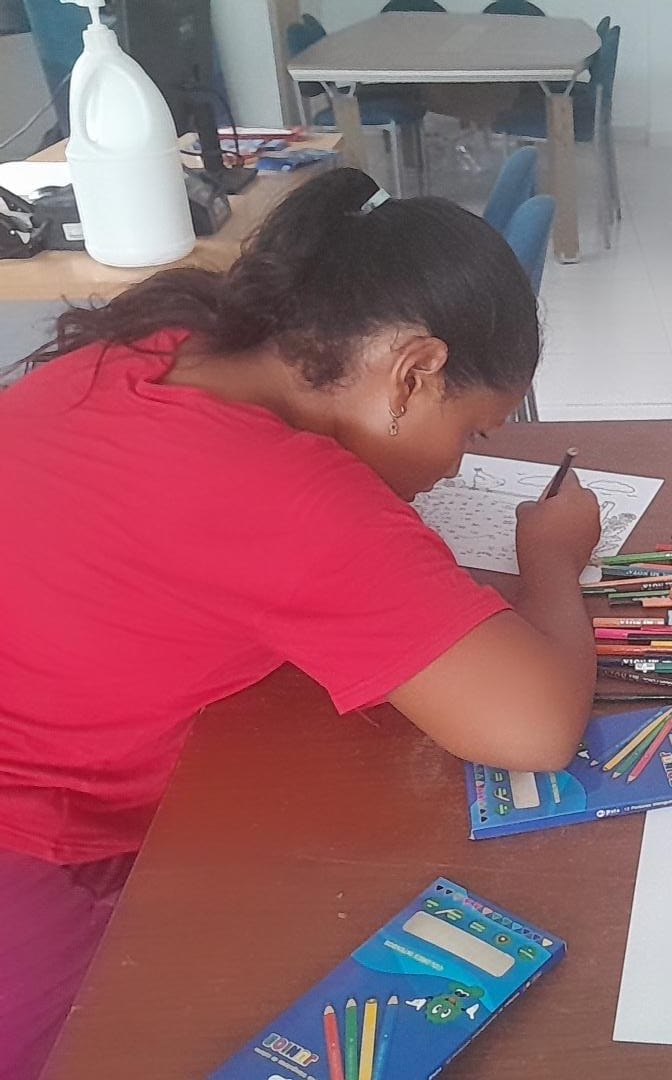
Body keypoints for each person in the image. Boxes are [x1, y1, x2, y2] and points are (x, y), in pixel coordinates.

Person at [0, 168, 599, 1077]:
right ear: (413, 372)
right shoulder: (286, 494)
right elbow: (534, 727)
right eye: (473, 434)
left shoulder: (156, 345)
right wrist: (553, 561)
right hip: (28, 843)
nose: (456, 470)